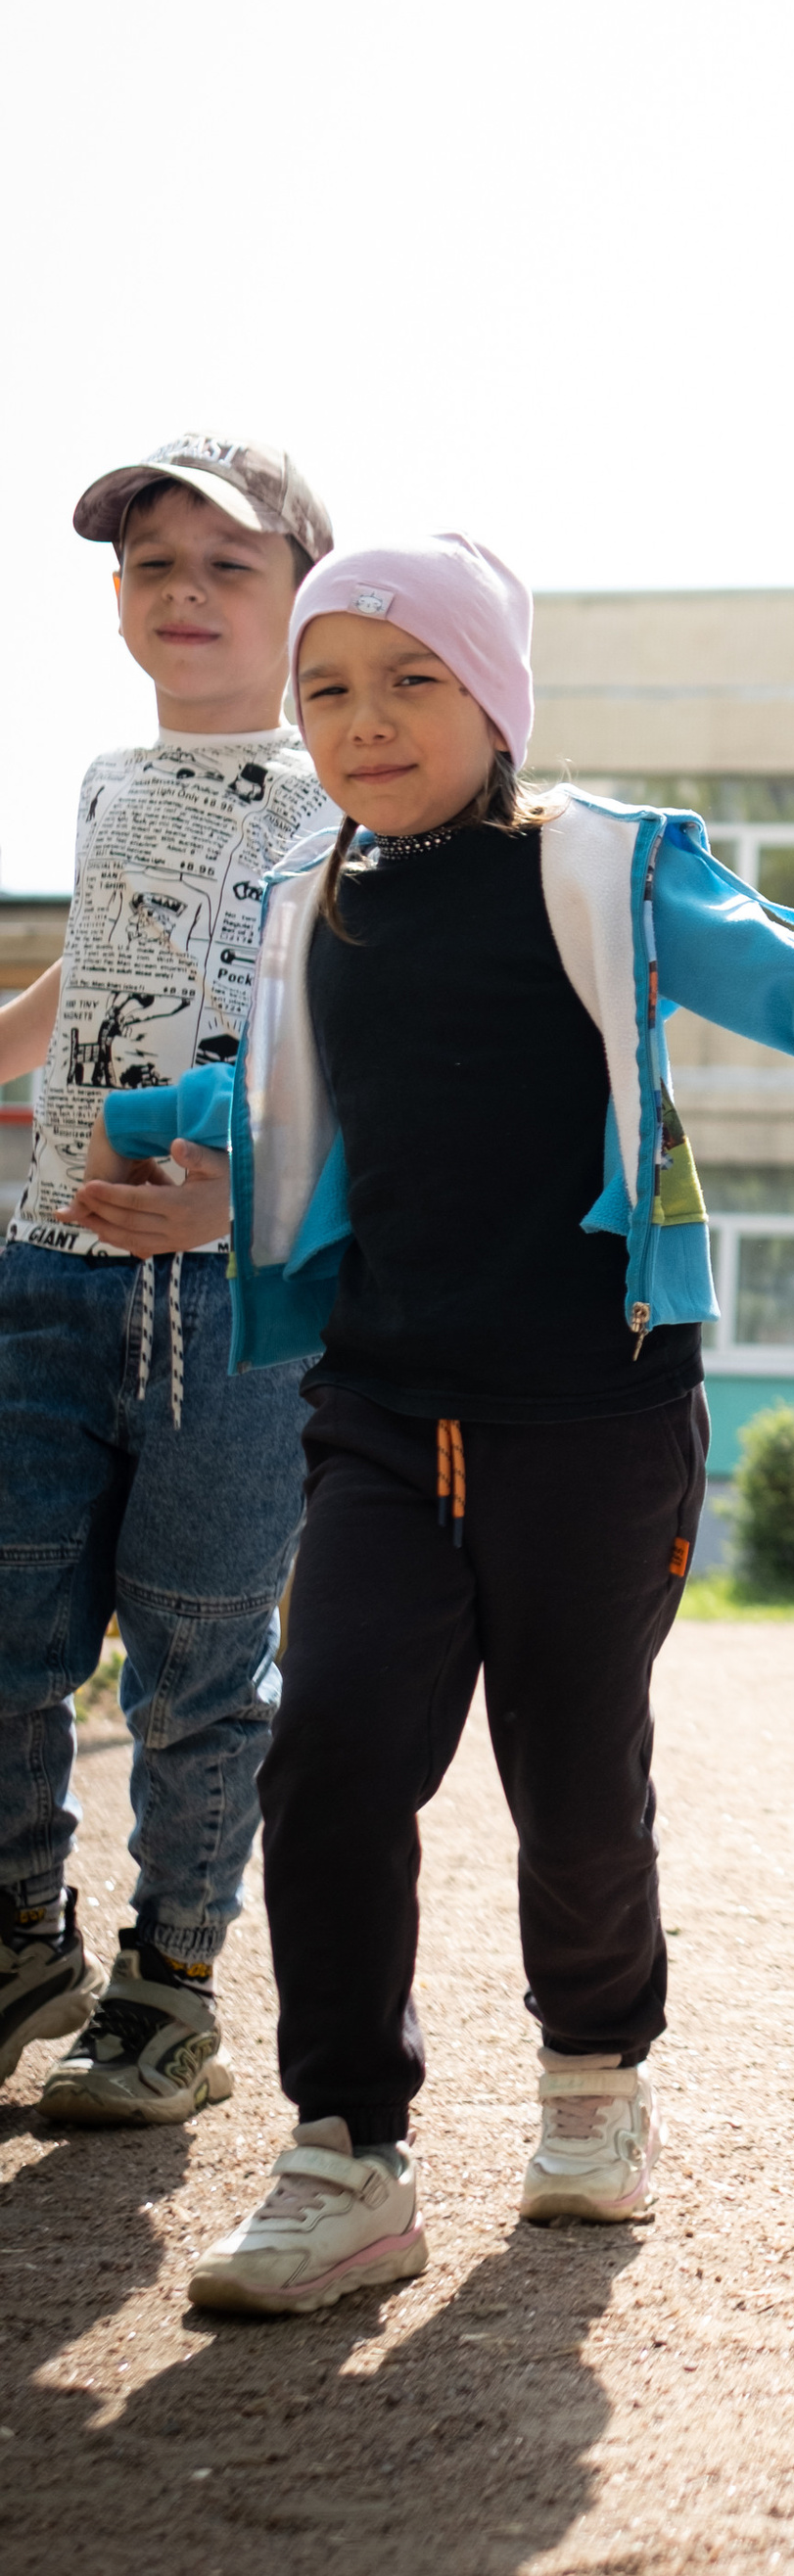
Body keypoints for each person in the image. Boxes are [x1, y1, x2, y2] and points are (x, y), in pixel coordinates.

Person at [83, 534, 794, 2313]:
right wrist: (139, 1112)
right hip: (381, 1415)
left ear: (495, 700)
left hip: (592, 1411)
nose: (365, 721)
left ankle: (593, 2082)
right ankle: (346, 2149)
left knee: (574, 1782)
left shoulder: (596, 870)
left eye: (412, 681)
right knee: (330, 1749)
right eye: (327, 688)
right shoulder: (309, 900)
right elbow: (288, 1089)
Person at [0, 437, 337, 2123]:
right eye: (151, 567)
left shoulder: (337, 788)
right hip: (47, 1273)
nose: (184, 594)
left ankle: (169, 1983)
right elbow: (107, 953)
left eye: (229, 567)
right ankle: (19, 1936)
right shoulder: (110, 783)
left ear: (303, 600)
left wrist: (243, 1193)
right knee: (11, 1620)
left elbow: (364, 1039)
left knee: (200, 1653)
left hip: (235, 1306)